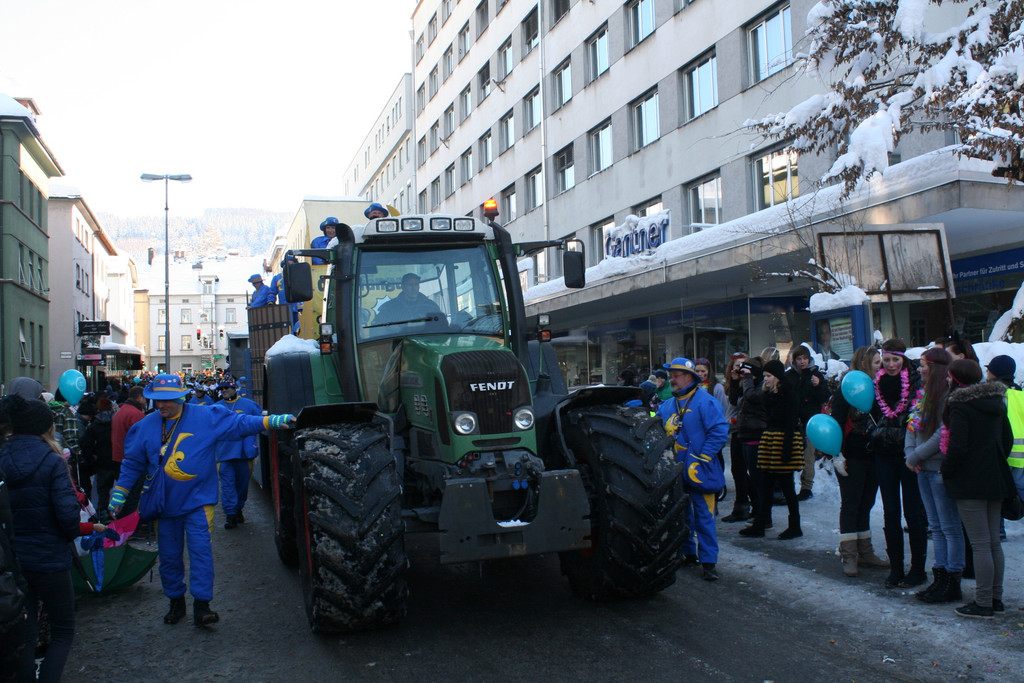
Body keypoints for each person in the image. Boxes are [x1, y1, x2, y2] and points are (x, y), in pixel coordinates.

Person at [108, 374, 296, 627]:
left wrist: (272, 421)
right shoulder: (144, 426)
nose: (161, 405)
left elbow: (239, 423)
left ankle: (202, 605)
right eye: (157, 400)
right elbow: (132, 464)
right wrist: (119, 494)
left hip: (198, 502)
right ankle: (176, 601)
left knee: (201, 553)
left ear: (180, 397)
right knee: (169, 557)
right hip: (164, 505)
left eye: (167, 400)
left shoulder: (206, 416)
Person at [0, 395, 103, 683]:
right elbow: (68, 519)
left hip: (15, 560)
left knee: (26, 631)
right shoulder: (52, 462)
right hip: (50, 557)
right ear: (45, 428)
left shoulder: (2, 457)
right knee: (63, 631)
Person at [942, 359, 1015, 619]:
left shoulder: (960, 404)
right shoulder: (996, 401)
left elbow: (957, 446)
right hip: (995, 478)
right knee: (993, 541)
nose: (947, 380)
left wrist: (947, 470)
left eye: (949, 377)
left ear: (956, 379)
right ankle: (995, 598)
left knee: (980, 544)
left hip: (970, 481)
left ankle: (983, 602)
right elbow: (1007, 439)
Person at [656, 358, 728, 581]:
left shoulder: (706, 402)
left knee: (704, 518)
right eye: (671, 376)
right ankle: (688, 554)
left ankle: (709, 562)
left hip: (701, 472)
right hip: (675, 473)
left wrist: (703, 457)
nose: (672, 380)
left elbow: (719, 431)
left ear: (689, 377)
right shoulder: (666, 405)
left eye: (676, 376)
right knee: (681, 516)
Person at [905, 347, 964, 603]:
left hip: (938, 468)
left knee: (950, 527)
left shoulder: (948, 396)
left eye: (923, 365)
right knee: (936, 527)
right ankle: (939, 576)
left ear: (936, 368)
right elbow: (912, 426)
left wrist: (916, 455)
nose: (919, 369)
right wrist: (910, 453)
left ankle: (952, 579)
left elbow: (942, 433)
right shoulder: (924, 394)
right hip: (922, 469)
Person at [869, 338, 927, 588]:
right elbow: (871, 413)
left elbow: (919, 416)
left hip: (908, 454)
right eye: (886, 360)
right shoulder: (877, 381)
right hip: (884, 452)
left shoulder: (916, 380)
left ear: (903, 358)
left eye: (895, 359)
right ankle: (896, 568)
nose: (891, 365)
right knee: (890, 512)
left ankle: (918, 569)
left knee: (913, 512)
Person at [832, 346, 890, 576]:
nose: (881, 367)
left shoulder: (880, 387)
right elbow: (836, 422)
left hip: (873, 454)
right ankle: (848, 554)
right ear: (865, 363)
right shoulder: (848, 387)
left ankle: (865, 552)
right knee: (851, 504)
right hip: (851, 455)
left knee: (866, 503)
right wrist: (837, 455)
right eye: (877, 363)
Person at [740, 359, 805, 539]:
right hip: (770, 439)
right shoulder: (769, 394)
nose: (766, 379)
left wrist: (787, 450)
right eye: (765, 376)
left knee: (787, 485)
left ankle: (795, 525)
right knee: (765, 484)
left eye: (768, 376)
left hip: (783, 441)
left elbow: (791, 424)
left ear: (777, 377)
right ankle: (760, 523)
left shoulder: (789, 394)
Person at [213, 379, 262, 529]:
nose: (224, 390)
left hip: (244, 455)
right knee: (227, 486)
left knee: (242, 486)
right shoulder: (215, 408)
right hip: (224, 455)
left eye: (227, 388)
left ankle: (238, 508)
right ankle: (230, 515)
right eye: (221, 389)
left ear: (235, 388)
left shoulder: (249, 405)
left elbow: (259, 422)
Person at [785, 345, 831, 501]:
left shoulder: (815, 374)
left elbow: (824, 396)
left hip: (810, 422)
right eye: (799, 359)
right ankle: (788, 487)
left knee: (808, 456)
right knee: (791, 456)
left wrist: (817, 385)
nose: (802, 362)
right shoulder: (789, 376)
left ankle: (806, 487)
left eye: (805, 358)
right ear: (794, 361)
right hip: (793, 422)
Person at [734, 357, 768, 530]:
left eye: (747, 373)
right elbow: (735, 400)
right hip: (746, 435)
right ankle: (758, 512)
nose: (744, 376)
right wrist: (736, 380)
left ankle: (762, 516)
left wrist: (747, 378)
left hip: (756, 435)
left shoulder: (760, 386)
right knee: (749, 475)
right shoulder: (749, 384)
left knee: (758, 478)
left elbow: (751, 397)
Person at [722, 352, 754, 523]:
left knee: (745, 470)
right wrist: (734, 381)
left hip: (747, 430)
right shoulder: (733, 383)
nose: (740, 368)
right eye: (736, 365)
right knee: (737, 469)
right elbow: (734, 401)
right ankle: (745, 504)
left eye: (743, 365)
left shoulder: (750, 382)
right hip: (736, 430)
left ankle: (751, 504)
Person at [82, 398, 116, 522]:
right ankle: (120, 513)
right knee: (122, 489)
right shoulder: (116, 422)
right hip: (118, 459)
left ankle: (103, 514)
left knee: (103, 491)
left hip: (102, 461)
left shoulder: (95, 425)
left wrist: (92, 459)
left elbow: (86, 444)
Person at [373, 272, 444, 330]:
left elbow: (441, 325)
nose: (414, 288)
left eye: (416, 284)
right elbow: (377, 328)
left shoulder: (430, 305)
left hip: (427, 339)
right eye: (410, 284)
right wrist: (391, 328)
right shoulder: (389, 307)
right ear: (403, 287)